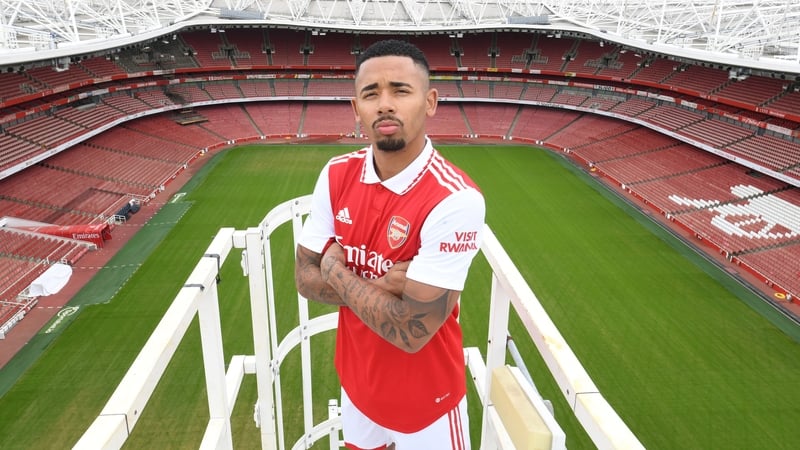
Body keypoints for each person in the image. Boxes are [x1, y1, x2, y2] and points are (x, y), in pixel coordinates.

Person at [295, 39, 485, 450]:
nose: (385, 104)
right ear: (356, 108)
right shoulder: (335, 174)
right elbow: (302, 278)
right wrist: (382, 286)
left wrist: (335, 270)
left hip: (429, 405)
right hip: (357, 388)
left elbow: (412, 330)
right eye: (371, 93)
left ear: (430, 101)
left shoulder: (456, 199)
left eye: (400, 90)